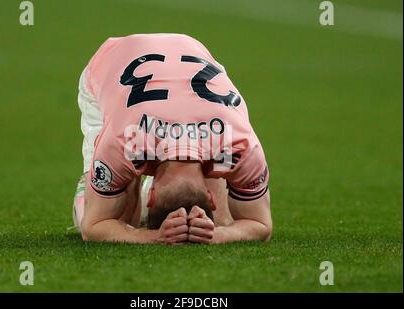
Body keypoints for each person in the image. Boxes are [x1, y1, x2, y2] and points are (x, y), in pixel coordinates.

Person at [72, 33, 272, 244]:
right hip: (109, 63)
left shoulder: (237, 144)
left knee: (221, 221)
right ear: (210, 196)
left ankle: (107, 186)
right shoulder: (123, 143)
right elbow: (92, 228)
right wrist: (155, 236)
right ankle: (89, 188)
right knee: (122, 218)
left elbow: (261, 227)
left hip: (190, 58)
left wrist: (218, 232)